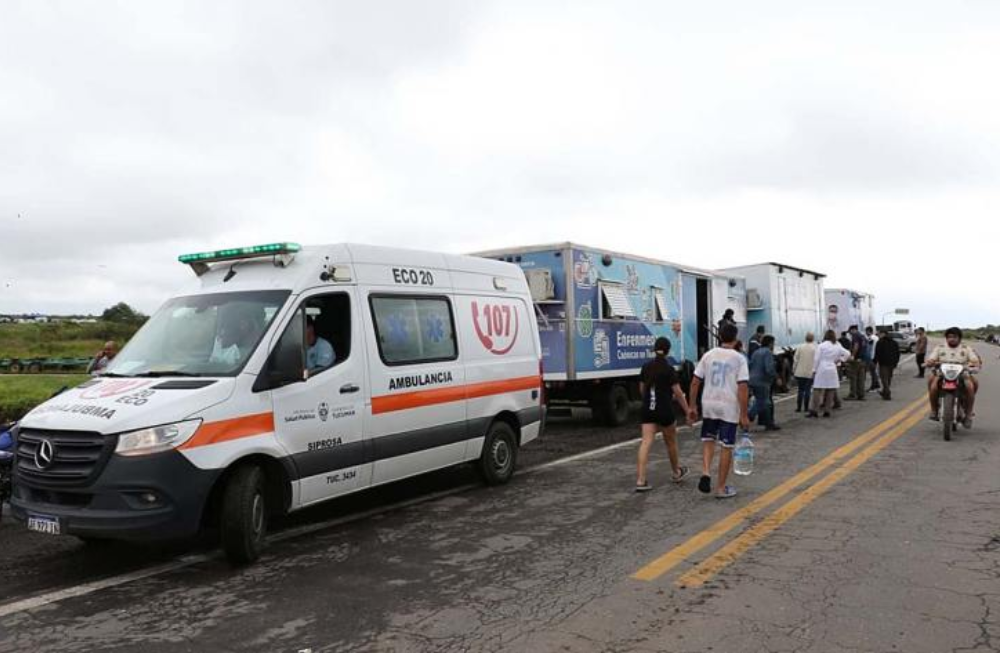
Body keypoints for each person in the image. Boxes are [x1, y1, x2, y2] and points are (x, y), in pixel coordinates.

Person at [688, 323, 750, 500]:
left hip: (709, 403)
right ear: (736, 338)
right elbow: (743, 387)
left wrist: (692, 406)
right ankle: (721, 488)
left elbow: (695, 381)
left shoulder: (708, 355)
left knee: (708, 440)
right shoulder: (739, 359)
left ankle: (706, 472)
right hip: (729, 405)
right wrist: (744, 414)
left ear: (720, 337)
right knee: (726, 446)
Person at [635, 337, 692, 492]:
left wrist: (648, 400)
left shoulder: (646, 367)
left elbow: (642, 390)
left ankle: (641, 480)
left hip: (648, 409)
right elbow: (679, 393)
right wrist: (687, 411)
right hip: (665, 409)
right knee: (671, 442)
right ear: (668, 351)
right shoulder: (669, 369)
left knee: (646, 442)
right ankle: (676, 472)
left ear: (655, 349)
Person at [926, 327, 982, 426]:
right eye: (949, 337)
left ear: (959, 338)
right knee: (933, 386)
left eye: (954, 337)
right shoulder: (940, 347)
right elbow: (932, 358)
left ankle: (968, 415)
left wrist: (975, 363)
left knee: (971, 386)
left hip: (962, 373)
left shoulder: (966, 348)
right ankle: (934, 410)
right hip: (942, 373)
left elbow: (974, 359)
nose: (951, 339)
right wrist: (930, 361)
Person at [808, 330, 851, 418]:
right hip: (832, 367)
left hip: (822, 368)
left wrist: (814, 370)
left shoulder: (821, 346)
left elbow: (817, 359)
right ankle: (827, 411)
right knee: (830, 390)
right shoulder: (837, 346)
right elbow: (848, 353)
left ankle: (814, 410)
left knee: (817, 389)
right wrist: (841, 360)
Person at [748, 335, 780, 430]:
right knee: (764, 402)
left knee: (762, 401)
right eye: (773, 343)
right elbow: (769, 368)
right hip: (762, 381)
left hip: (753, 380)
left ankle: (767, 422)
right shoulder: (768, 353)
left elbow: (750, 365)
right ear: (770, 343)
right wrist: (776, 377)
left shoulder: (756, 352)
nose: (773, 345)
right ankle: (749, 416)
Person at [873, 329, 901, 400]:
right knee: (888, 378)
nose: (878, 335)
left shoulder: (880, 342)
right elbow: (898, 353)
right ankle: (884, 391)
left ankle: (887, 392)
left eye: (879, 334)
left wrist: (875, 362)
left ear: (883, 334)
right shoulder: (894, 342)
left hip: (883, 363)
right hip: (892, 363)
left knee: (884, 378)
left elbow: (877, 353)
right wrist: (896, 362)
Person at [793, 333, 817, 412]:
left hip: (800, 372)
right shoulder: (815, 348)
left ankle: (799, 407)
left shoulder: (800, 347)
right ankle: (806, 407)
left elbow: (795, 360)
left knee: (800, 390)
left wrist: (794, 370)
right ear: (813, 339)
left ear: (805, 338)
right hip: (810, 373)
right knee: (808, 390)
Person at [846, 325, 868, 401]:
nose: (850, 334)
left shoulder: (855, 336)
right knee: (861, 378)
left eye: (850, 332)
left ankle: (853, 394)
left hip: (856, 360)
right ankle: (861, 395)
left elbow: (856, 346)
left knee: (853, 377)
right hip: (863, 360)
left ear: (853, 330)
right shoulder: (863, 337)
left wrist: (852, 356)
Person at [865, 326, 880, 393]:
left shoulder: (871, 338)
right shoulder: (876, 338)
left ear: (869, 331)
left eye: (866, 331)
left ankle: (875, 386)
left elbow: (869, 348)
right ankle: (875, 386)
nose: (866, 333)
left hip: (871, 357)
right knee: (874, 372)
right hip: (875, 356)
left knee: (873, 373)